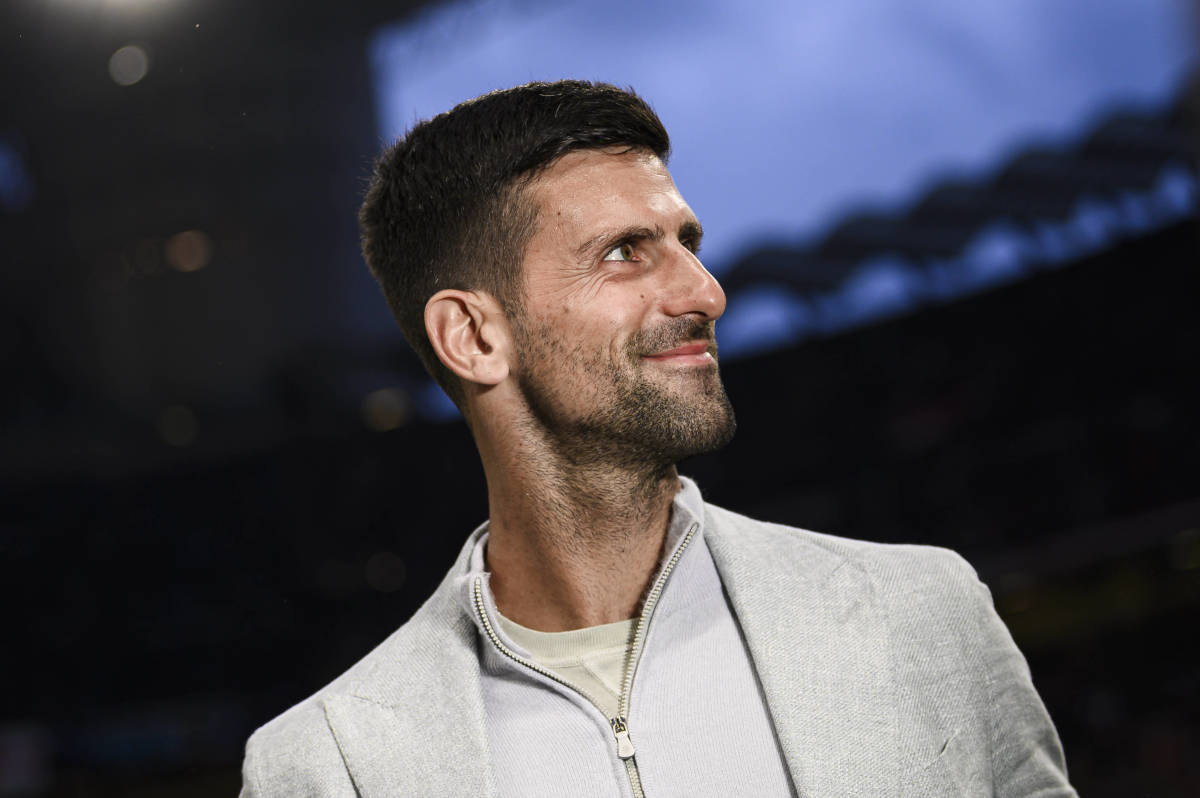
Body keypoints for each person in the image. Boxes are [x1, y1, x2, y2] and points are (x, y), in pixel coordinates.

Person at [239, 80, 1076, 797]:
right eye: (623, 254)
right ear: (473, 337)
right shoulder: (324, 767)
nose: (706, 292)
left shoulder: (926, 614)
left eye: (687, 244)